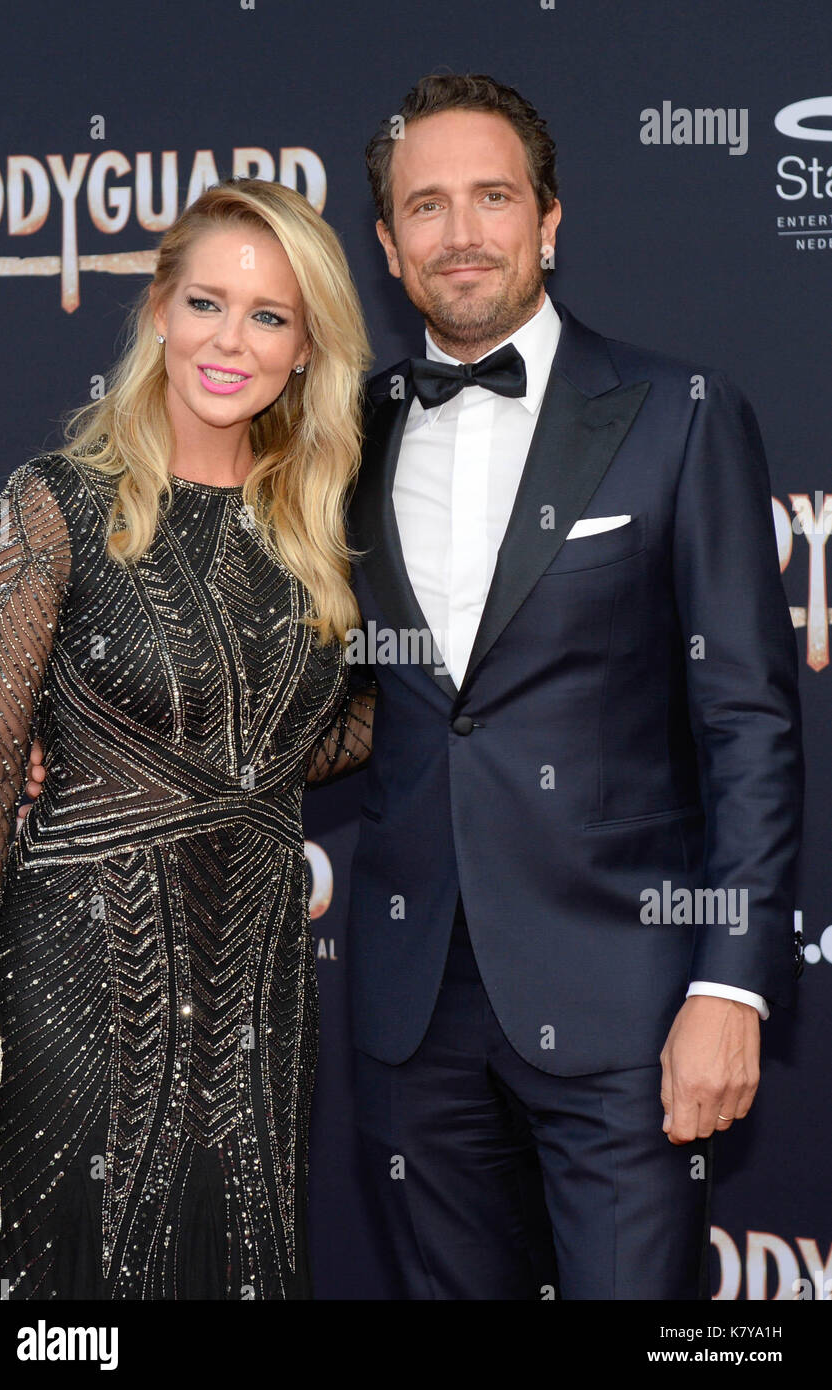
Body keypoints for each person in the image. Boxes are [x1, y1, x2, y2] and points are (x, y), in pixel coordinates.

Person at [340, 73, 803, 1299]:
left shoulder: (675, 413)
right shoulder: (342, 436)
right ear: (387, 245)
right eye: (424, 206)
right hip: (409, 1009)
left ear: (549, 219)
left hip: (627, 1001)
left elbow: (749, 719)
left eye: (491, 197)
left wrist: (727, 981)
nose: (460, 231)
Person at [0, 176, 373, 1299]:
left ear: (305, 348)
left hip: (259, 1004)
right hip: (73, 993)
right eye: (206, 302)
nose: (229, 340)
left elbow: (314, 738)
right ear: (157, 312)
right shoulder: (59, 503)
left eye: (268, 315)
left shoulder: (321, 532)